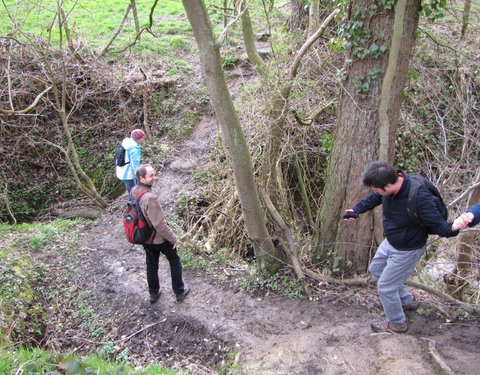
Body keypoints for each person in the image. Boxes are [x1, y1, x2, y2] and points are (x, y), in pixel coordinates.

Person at [343, 161, 465, 333]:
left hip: (408, 249)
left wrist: (456, 226)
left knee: (386, 286)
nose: (374, 192)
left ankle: (397, 322)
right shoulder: (389, 188)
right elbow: (377, 197)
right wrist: (356, 210)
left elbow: (440, 226)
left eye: (376, 189)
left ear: (388, 185)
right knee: (376, 269)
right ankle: (407, 300)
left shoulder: (419, 196)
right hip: (391, 241)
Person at [131, 164, 189, 304]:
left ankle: (154, 293)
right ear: (141, 178)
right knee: (174, 261)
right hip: (159, 239)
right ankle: (179, 291)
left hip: (144, 237)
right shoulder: (150, 198)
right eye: (151, 175)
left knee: (151, 264)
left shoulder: (134, 191)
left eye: (154, 174)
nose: (154, 178)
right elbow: (159, 224)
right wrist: (173, 239)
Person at [116, 129, 145, 193]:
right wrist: (139, 178)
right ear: (138, 138)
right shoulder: (134, 149)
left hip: (121, 171)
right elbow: (135, 166)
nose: (143, 140)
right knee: (134, 192)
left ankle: (132, 201)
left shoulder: (127, 143)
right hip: (128, 174)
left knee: (131, 191)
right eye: (142, 138)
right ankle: (133, 202)